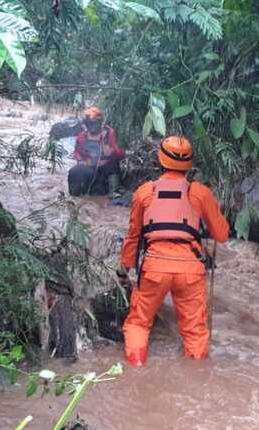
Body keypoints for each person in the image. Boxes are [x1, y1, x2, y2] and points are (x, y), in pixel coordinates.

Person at [116, 136, 229, 366]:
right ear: (189, 163)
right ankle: (197, 378)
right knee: (195, 331)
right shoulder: (200, 193)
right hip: (190, 270)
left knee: (139, 323)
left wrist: (125, 267)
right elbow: (222, 235)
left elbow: (134, 235)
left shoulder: (145, 192)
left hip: (155, 267)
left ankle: (136, 371)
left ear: (160, 159)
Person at [68, 106, 125, 196]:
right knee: (74, 171)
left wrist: (112, 152)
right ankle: (74, 196)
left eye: (94, 123)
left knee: (113, 163)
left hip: (104, 171)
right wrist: (81, 160)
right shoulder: (82, 136)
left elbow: (121, 154)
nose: (92, 126)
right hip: (89, 170)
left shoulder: (109, 133)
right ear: (86, 124)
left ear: (100, 123)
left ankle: (114, 191)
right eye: (89, 123)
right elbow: (77, 152)